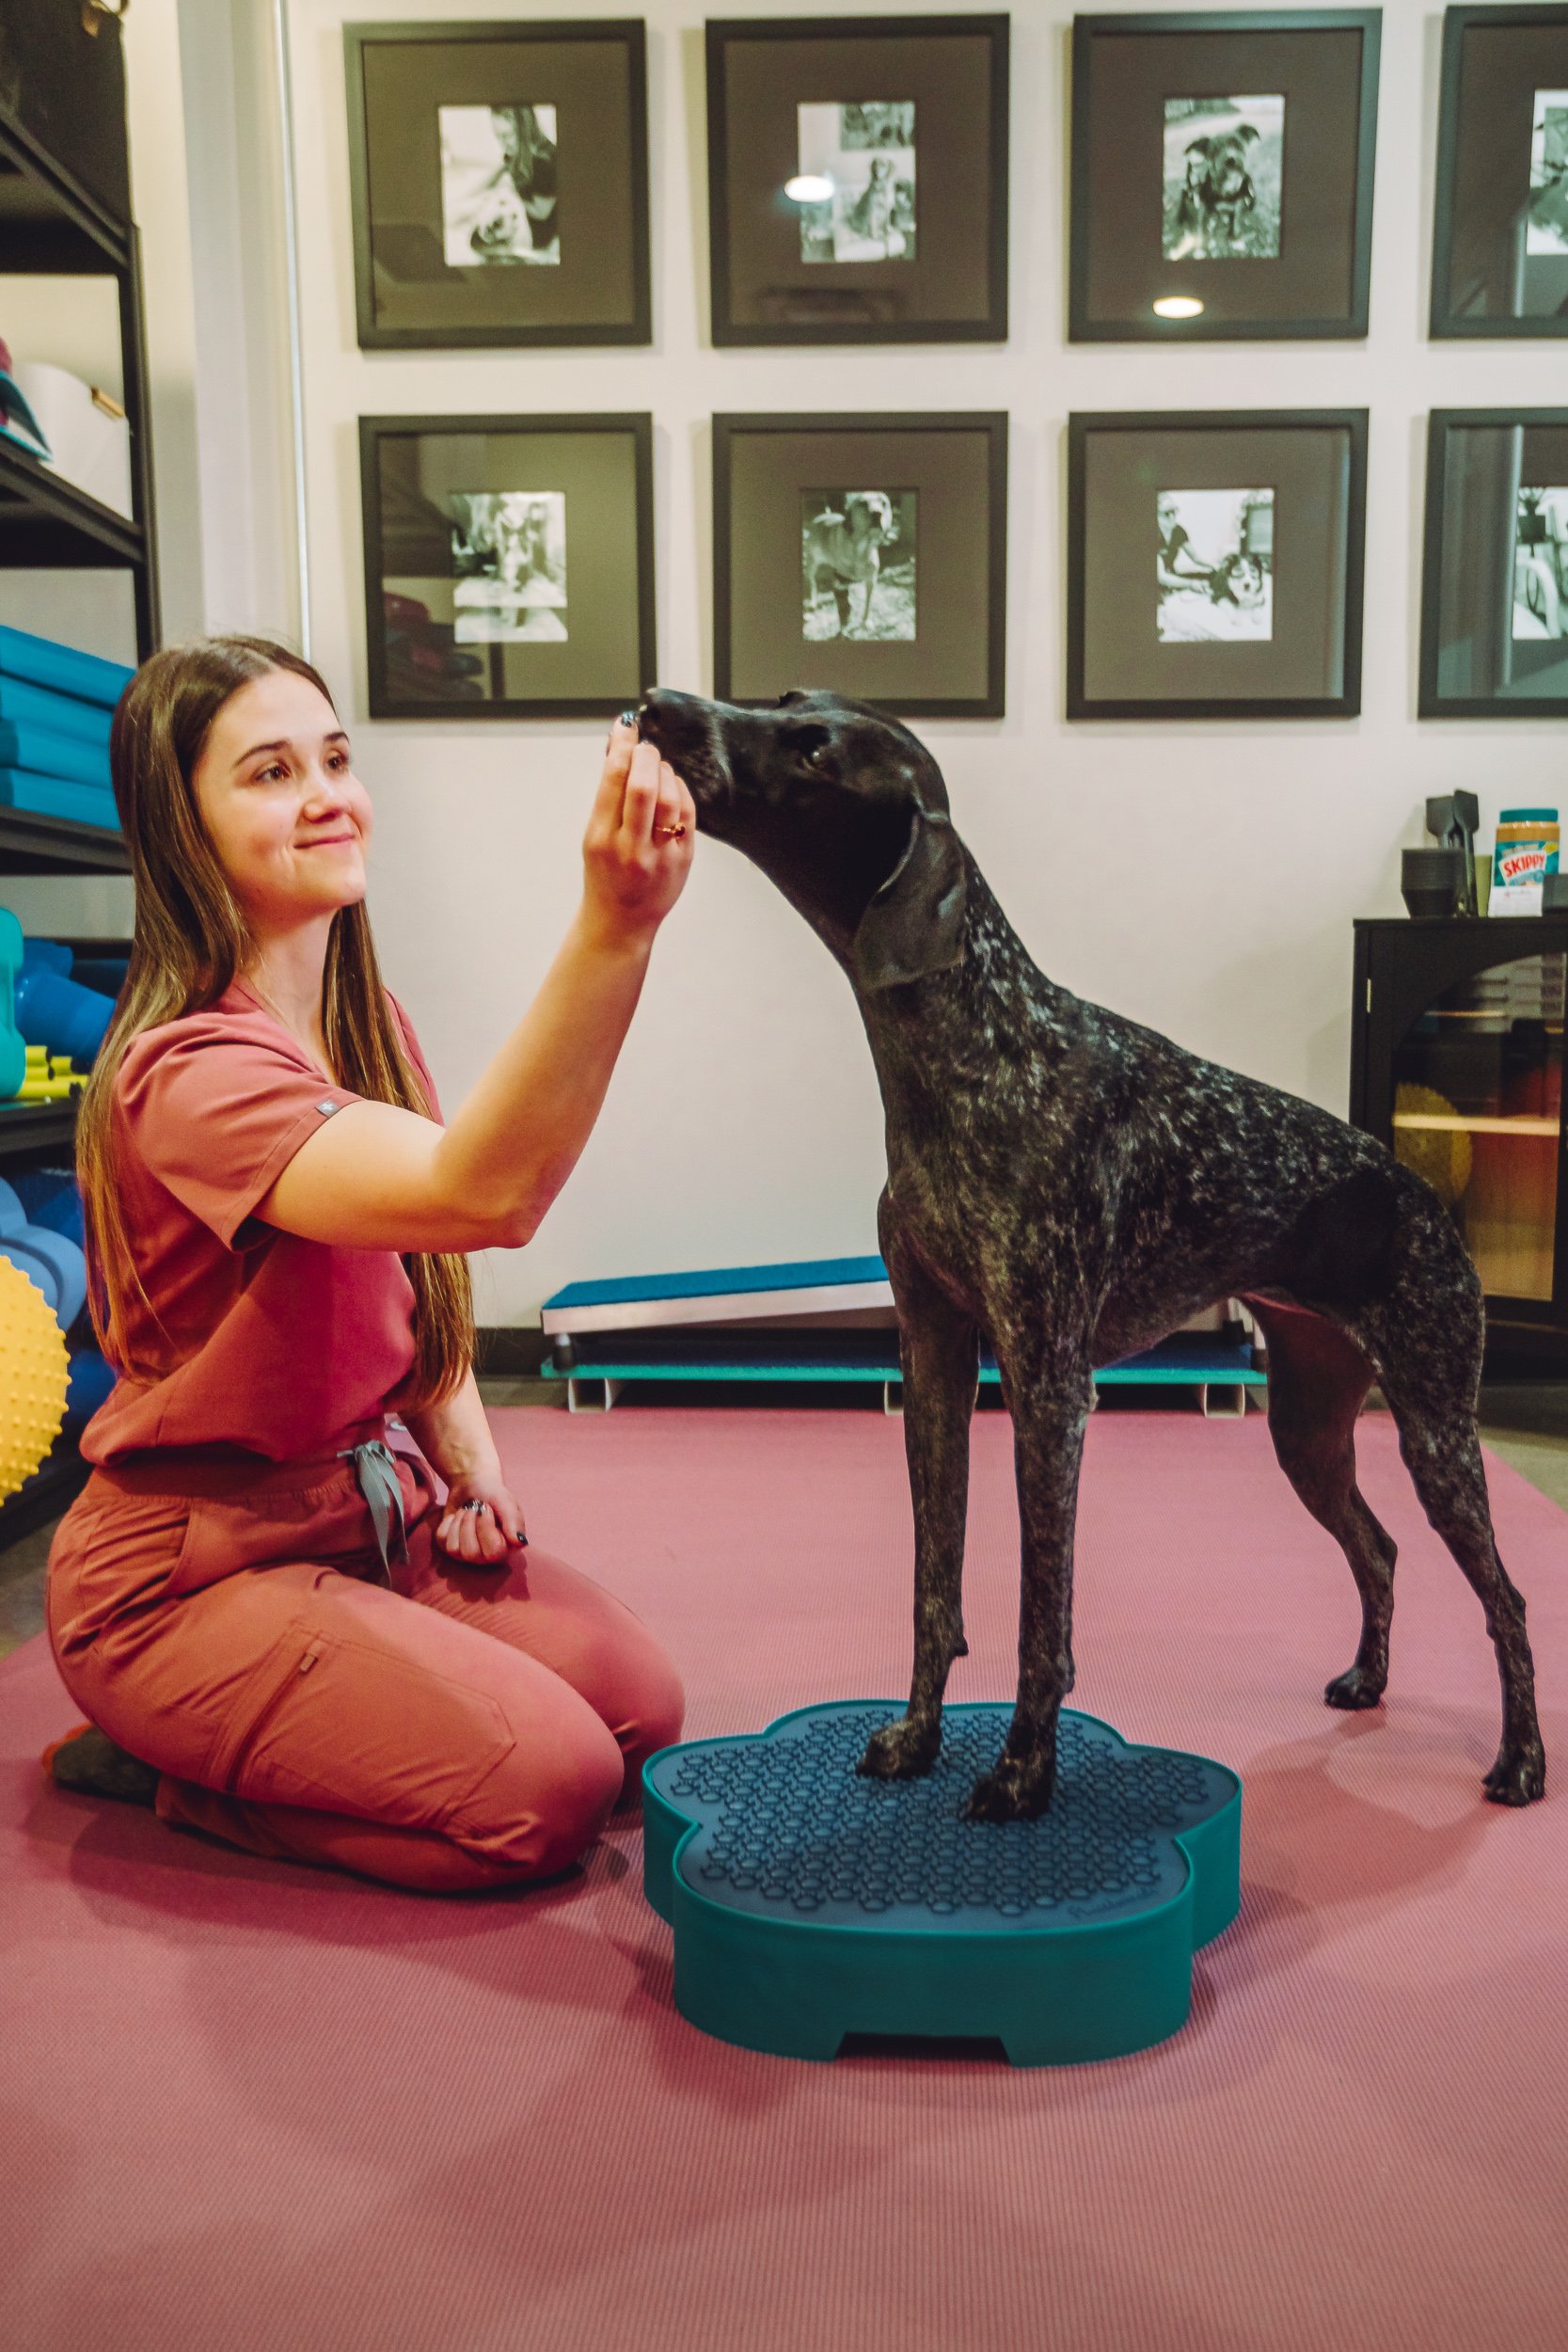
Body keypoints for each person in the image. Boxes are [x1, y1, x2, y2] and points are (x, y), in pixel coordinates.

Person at [40, 636, 693, 1894]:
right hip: (183, 1577)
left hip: (365, 1520)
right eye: (273, 772)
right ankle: (174, 1766)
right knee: (549, 1794)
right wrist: (616, 925)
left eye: (335, 758)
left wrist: (470, 1470)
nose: (328, 794)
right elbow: (486, 1196)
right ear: (183, 825)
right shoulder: (188, 1074)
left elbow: (423, 1256)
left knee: (638, 1720)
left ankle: (295, 1710)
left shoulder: (365, 1029)